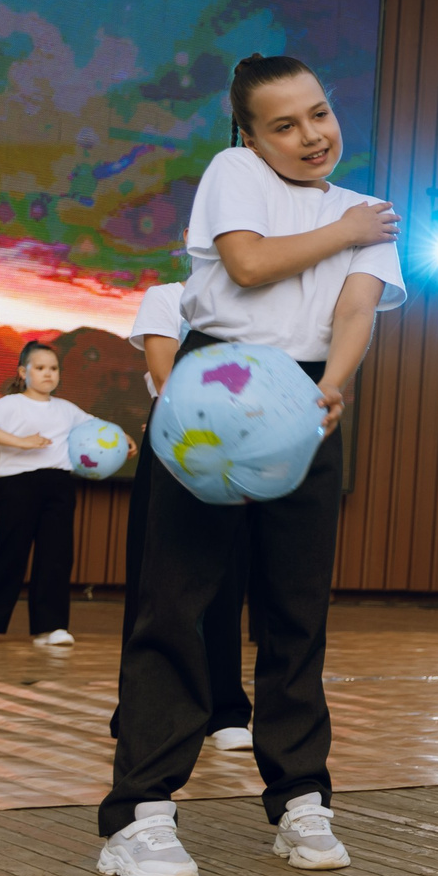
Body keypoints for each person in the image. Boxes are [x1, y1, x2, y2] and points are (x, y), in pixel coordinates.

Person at [96, 52, 404, 876]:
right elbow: (249, 263)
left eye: (320, 112)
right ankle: (140, 814)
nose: (312, 135)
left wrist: (334, 386)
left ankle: (302, 797)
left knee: (296, 609)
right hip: (216, 388)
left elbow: (356, 308)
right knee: (180, 603)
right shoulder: (235, 172)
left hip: (304, 401)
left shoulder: (366, 211)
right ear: (250, 134)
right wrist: (345, 232)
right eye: (285, 124)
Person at [123, 283, 252, 752]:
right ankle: (143, 707)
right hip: (175, 443)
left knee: (227, 576)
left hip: (236, 448)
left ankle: (226, 709)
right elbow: (165, 377)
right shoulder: (166, 295)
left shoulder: (257, 302)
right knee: (156, 578)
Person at [0, 342, 95, 646]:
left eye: (53, 368)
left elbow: (95, 427)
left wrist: (123, 438)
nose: (48, 374)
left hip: (59, 485)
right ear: (23, 372)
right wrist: (21, 442)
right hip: (17, 485)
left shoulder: (66, 409)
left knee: (56, 555)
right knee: (10, 552)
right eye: (40, 368)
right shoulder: (10, 404)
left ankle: (50, 627)